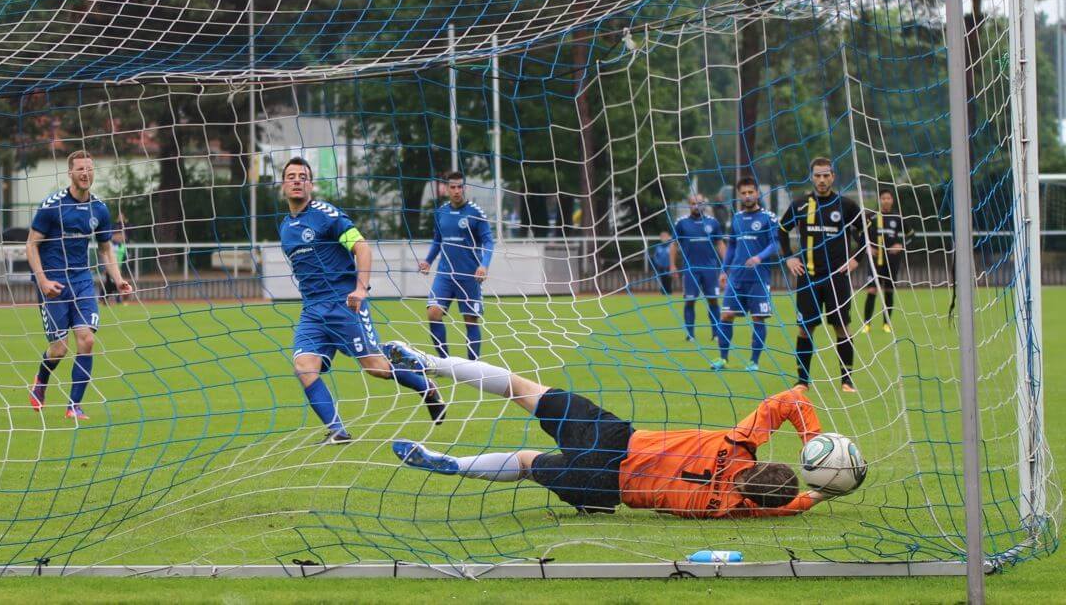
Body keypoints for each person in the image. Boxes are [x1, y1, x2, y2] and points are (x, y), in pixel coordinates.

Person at [382, 341, 839, 518]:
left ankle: (432, 364)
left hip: (615, 438)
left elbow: (792, 398)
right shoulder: (727, 508)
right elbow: (787, 509)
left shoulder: (736, 443)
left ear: (763, 462)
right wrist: (820, 495)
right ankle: (451, 465)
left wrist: (813, 440)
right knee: (525, 463)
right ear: (752, 499)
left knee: (524, 389)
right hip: (607, 487)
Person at [280, 156, 445, 444]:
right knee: (304, 368)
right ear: (283, 185)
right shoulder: (286, 227)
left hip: (345, 305)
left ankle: (425, 386)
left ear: (310, 184)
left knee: (376, 368)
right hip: (312, 312)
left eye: (302, 176)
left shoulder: (326, 214)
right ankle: (338, 431)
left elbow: (362, 247)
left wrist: (361, 288)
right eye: (291, 176)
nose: (296, 180)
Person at [26, 150, 132, 422]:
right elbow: (31, 245)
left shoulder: (99, 209)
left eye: (90, 168)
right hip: (53, 283)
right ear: (70, 173)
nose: (86, 173)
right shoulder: (52, 206)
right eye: (80, 169)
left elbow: (106, 249)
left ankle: (74, 405)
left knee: (86, 340)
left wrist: (118, 279)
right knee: (59, 349)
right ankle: (41, 379)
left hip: (83, 280)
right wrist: (43, 280)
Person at [779, 157, 864, 393]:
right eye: (817, 175)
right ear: (812, 177)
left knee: (842, 327)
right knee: (805, 328)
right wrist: (789, 256)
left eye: (826, 175)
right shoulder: (799, 205)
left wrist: (856, 259)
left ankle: (846, 381)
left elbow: (866, 234)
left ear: (833, 176)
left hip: (836, 278)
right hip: (808, 277)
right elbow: (782, 230)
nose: (822, 179)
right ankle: (802, 381)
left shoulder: (846, 206)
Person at [418, 171, 494, 360]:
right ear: (446, 189)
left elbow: (489, 242)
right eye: (453, 187)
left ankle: (473, 365)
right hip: (445, 275)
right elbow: (437, 241)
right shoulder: (441, 212)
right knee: (433, 313)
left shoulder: (475, 213)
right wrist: (428, 260)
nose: (457, 191)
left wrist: (484, 265)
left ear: (465, 188)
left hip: (469, 276)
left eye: (460, 187)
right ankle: (444, 361)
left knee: (470, 320)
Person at [717, 177, 780, 371]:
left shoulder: (768, 217)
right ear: (739, 195)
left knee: (758, 318)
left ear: (757, 193)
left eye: (750, 192)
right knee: (726, 315)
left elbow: (775, 243)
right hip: (736, 277)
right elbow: (731, 246)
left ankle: (754, 361)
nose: (747, 196)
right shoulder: (736, 218)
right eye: (743, 193)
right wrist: (723, 270)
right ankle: (723, 359)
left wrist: (759, 257)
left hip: (759, 278)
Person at [670, 194, 725, 343]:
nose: (696, 206)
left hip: (710, 269)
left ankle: (716, 333)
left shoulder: (713, 223)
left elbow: (720, 244)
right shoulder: (681, 223)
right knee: (690, 301)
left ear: (704, 205)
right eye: (693, 203)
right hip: (690, 270)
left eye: (699, 203)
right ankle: (690, 335)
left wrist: (725, 266)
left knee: (713, 300)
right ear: (689, 205)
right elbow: (674, 244)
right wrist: (672, 265)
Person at [863, 189, 906, 335]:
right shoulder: (871, 217)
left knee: (888, 291)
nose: (886, 200)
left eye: (888, 198)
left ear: (892, 200)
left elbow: (911, 234)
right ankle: (867, 324)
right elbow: (858, 233)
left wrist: (900, 244)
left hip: (892, 260)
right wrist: (867, 246)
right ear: (879, 200)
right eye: (883, 198)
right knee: (872, 291)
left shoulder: (897, 217)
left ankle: (886, 324)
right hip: (875, 260)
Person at [102, 226, 128, 304]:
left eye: (122, 235)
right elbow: (106, 255)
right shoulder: (110, 245)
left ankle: (117, 299)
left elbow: (123, 258)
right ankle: (104, 298)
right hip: (110, 268)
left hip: (118, 268)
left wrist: (120, 268)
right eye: (119, 235)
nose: (121, 237)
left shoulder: (122, 246)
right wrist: (106, 268)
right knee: (109, 284)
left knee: (114, 284)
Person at [649, 231, 673, 296]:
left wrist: (672, 264)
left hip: (669, 266)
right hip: (661, 266)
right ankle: (663, 292)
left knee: (669, 279)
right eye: (663, 237)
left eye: (665, 236)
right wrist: (658, 263)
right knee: (663, 278)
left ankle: (669, 291)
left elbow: (673, 255)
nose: (664, 238)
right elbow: (655, 256)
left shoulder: (671, 246)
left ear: (668, 237)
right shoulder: (658, 247)